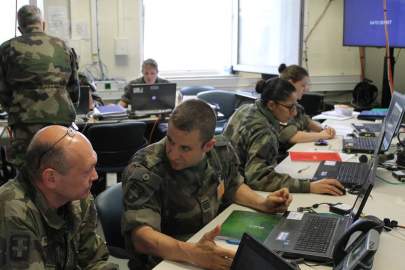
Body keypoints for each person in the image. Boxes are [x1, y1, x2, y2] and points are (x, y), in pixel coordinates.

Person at [122, 99, 292, 269]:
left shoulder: (221, 151)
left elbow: (233, 185)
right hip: (167, 258)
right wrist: (194, 254)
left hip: (207, 243)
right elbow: (141, 238)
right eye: (170, 141)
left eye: (185, 148)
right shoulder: (146, 168)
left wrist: (262, 203)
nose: (173, 154)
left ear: (208, 145)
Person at [0, 125, 118, 269]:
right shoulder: (13, 212)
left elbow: (93, 261)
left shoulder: (79, 198)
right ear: (51, 178)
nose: (95, 176)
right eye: (87, 171)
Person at [223, 78, 344, 195]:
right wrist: (309, 186)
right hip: (235, 190)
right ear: (271, 105)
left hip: (225, 181)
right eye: (290, 107)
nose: (294, 112)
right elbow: (258, 179)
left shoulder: (246, 108)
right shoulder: (264, 132)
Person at [0, 5, 79, 168]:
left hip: (24, 120)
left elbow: (3, 91)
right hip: (61, 118)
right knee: (61, 166)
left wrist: (15, 110)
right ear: (42, 24)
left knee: (28, 168)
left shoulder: (6, 49)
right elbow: (74, 89)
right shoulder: (64, 46)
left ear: (20, 28)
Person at [278, 63, 336, 145]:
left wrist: (323, 129)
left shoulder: (295, 105)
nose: (306, 89)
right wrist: (321, 135)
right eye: (303, 85)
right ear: (290, 84)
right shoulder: (278, 106)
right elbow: (291, 136)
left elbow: (305, 121)